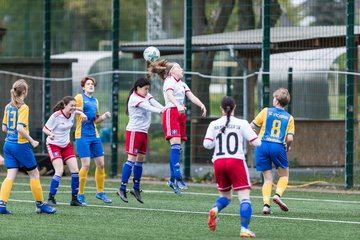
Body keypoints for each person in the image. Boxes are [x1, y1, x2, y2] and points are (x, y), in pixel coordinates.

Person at [203, 96, 261, 238]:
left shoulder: (213, 124)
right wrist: (253, 140)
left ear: (221, 109)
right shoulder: (241, 123)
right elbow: (257, 142)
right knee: (244, 198)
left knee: (226, 196)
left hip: (219, 162)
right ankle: (244, 229)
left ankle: (215, 209)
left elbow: (207, 144)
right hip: (236, 162)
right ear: (234, 107)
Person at [148, 59, 207, 194]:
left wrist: (201, 104)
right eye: (179, 68)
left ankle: (172, 179)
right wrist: (178, 105)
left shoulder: (182, 84)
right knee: (175, 145)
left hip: (180, 114)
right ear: (171, 71)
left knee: (178, 148)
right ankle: (178, 177)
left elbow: (191, 96)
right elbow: (169, 95)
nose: (182, 69)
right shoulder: (169, 81)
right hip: (171, 113)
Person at [0, 79, 56, 214]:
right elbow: (20, 128)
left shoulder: (8, 106)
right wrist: (32, 140)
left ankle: (1, 206)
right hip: (20, 145)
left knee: (10, 176)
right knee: (34, 173)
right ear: (24, 91)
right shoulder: (23, 107)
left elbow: (4, 128)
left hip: (8, 145)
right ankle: (40, 205)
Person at [117, 77, 164, 204]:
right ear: (138, 88)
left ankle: (136, 188)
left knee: (141, 159)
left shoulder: (145, 94)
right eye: (145, 89)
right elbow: (148, 107)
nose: (147, 91)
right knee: (131, 159)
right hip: (134, 131)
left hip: (143, 132)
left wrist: (166, 108)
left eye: (148, 89)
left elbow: (154, 102)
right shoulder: (134, 98)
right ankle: (122, 188)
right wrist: (162, 111)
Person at [250, 88, 295, 214]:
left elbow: (251, 126)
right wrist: (287, 146)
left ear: (276, 100)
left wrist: (253, 137)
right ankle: (278, 195)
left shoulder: (266, 111)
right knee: (284, 175)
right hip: (278, 146)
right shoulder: (289, 117)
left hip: (262, 145)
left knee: (268, 179)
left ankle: (266, 205)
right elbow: (290, 138)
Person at [43, 96, 88, 207]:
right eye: (71, 105)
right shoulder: (56, 116)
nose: (73, 107)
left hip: (66, 145)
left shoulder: (72, 112)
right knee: (59, 171)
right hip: (53, 145)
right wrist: (50, 134)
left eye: (74, 105)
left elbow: (77, 110)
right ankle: (50, 198)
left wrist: (81, 113)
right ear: (64, 105)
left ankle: (74, 199)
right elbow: (45, 128)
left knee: (75, 171)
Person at [75, 76, 112, 206]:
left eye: (92, 84)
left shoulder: (95, 101)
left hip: (94, 135)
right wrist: (81, 113)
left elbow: (95, 120)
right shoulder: (79, 97)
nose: (91, 85)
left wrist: (104, 116)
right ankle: (80, 194)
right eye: (88, 84)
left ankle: (100, 192)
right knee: (85, 165)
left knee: (101, 164)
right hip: (82, 136)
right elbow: (73, 109)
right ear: (83, 87)